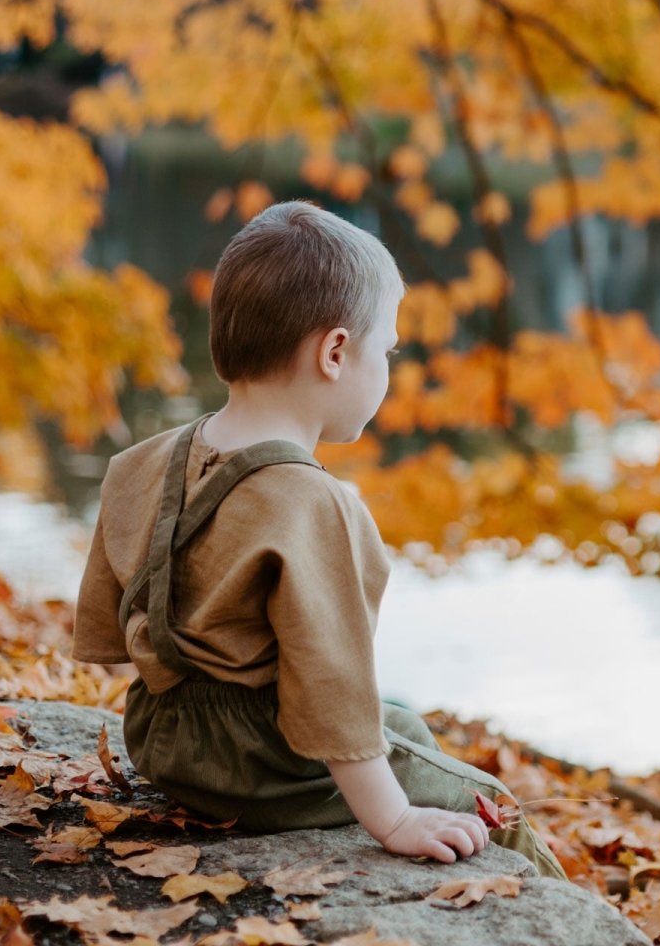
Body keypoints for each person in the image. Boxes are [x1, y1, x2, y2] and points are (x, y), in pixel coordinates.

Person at [71, 200, 565, 877]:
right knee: (490, 801)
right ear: (335, 352)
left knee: (407, 725)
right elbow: (332, 694)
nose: (388, 370)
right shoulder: (314, 505)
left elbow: (107, 621)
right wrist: (392, 818)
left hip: (160, 736)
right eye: (386, 351)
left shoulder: (145, 460)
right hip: (251, 766)